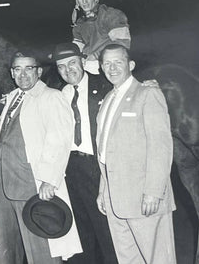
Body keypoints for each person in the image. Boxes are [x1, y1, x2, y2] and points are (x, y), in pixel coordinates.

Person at [0, 51, 82, 264]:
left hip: (32, 187)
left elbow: (59, 140)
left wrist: (49, 180)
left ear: (39, 71)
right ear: (12, 73)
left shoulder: (51, 97)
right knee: (7, 251)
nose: (22, 75)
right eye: (17, 69)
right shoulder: (14, 97)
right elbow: (5, 136)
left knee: (41, 252)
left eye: (28, 68)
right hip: (3, 188)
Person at [96, 44, 176, 264]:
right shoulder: (108, 100)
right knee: (128, 259)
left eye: (118, 62)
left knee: (159, 259)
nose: (112, 68)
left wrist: (153, 191)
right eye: (107, 64)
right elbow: (105, 150)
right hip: (115, 198)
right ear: (101, 67)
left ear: (130, 65)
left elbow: (161, 146)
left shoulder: (147, 94)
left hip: (144, 197)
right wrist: (104, 190)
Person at [52, 43, 117, 264]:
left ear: (82, 61)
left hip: (98, 167)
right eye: (61, 67)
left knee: (107, 230)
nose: (68, 70)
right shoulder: (59, 93)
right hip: (71, 169)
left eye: (72, 63)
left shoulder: (105, 84)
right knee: (82, 232)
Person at [71, 0, 131, 74]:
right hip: (87, 68)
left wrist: (96, 56)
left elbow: (122, 44)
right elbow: (76, 48)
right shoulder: (79, 24)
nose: (84, 2)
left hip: (109, 67)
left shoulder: (111, 15)